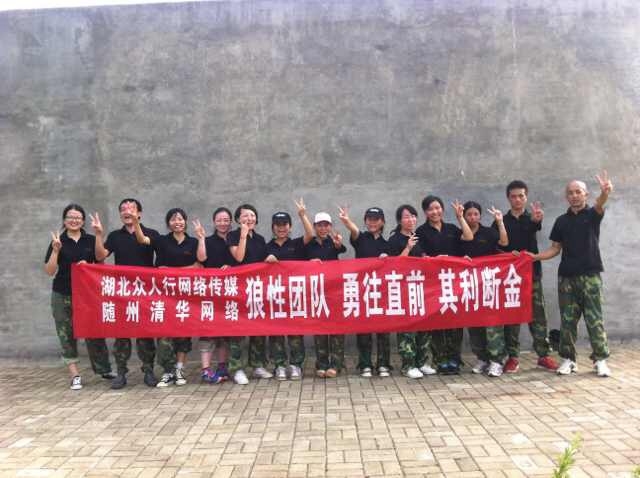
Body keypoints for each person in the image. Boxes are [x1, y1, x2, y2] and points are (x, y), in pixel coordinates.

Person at [532, 172, 613, 377]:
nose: (574, 195)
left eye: (578, 192)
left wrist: (605, 193)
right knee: (568, 322)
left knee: (595, 320)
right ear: (566, 196)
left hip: (590, 276)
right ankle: (568, 359)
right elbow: (555, 248)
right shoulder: (561, 221)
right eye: (571, 193)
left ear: (585, 194)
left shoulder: (592, 215)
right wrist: (535, 257)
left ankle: (600, 360)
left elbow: (600, 203)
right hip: (566, 278)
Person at [44, 204, 116, 390]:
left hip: (87, 294)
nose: (74, 220)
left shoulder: (90, 240)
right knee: (66, 333)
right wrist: (56, 250)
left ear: (83, 221)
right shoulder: (58, 241)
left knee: (94, 331)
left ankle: (103, 369)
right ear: (64, 220)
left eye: (78, 217)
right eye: (70, 217)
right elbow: (49, 271)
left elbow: (101, 262)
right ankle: (75, 374)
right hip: (63, 293)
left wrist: (98, 235)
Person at [91, 198, 161, 388]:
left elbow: (142, 240)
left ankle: (148, 371)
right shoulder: (115, 236)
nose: (127, 211)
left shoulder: (151, 233)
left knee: (145, 333)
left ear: (139, 213)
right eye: (123, 209)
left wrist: (136, 224)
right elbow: (100, 256)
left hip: (145, 290)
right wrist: (98, 234)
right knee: (122, 333)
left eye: (131, 208)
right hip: (122, 292)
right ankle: (121, 373)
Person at [132, 207, 200, 387]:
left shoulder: (193, 242)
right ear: (168, 223)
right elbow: (142, 239)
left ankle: (179, 369)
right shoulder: (161, 240)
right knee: (164, 334)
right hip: (163, 295)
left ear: (185, 221)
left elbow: (198, 266)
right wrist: (136, 222)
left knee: (183, 334)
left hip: (185, 294)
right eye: (173, 219)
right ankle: (168, 371)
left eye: (180, 219)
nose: (177, 222)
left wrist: (171, 271)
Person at [495, 181, 558, 373]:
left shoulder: (531, 218)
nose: (517, 199)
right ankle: (513, 357)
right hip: (509, 279)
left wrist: (537, 219)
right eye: (513, 196)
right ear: (508, 198)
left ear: (526, 197)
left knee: (538, 316)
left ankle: (543, 355)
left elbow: (535, 225)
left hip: (532, 274)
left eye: (521, 196)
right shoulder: (501, 220)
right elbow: (495, 248)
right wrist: (507, 255)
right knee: (512, 318)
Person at [415, 196, 472, 375]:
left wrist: (460, 217)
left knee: (455, 321)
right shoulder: (421, 231)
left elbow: (468, 237)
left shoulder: (452, 228)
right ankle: (440, 360)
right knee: (437, 321)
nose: (435, 212)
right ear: (425, 212)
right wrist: (434, 260)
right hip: (434, 284)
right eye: (431, 209)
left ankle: (455, 359)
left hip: (453, 282)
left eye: (438, 208)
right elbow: (420, 256)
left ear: (442, 209)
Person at [263, 199, 314, 380]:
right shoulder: (266, 246)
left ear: (290, 227)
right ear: (273, 227)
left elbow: (310, 234)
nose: (281, 228)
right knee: (276, 332)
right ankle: (279, 365)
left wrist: (302, 215)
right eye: (277, 225)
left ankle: (295, 365)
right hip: (274, 296)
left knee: (295, 331)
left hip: (294, 295)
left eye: (284, 224)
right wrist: (266, 261)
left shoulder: (297, 244)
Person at [338, 206, 391, 378]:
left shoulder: (387, 244)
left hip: (382, 292)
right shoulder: (361, 239)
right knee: (364, 330)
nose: (372, 222)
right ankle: (365, 364)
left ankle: (383, 364)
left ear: (382, 222)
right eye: (369, 219)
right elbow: (354, 230)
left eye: (376, 219)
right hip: (362, 290)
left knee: (383, 330)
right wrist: (346, 221)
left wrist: (387, 259)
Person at [460, 201, 508, 377]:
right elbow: (462, 246)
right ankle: (482, 358)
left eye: (476, 214)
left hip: (489, 284)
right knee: (474, 324)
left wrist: (500, 222)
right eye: (469, 214)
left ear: (480, 215)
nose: (473, 217)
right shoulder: (461, 233)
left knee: (492, 323)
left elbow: (504, 242)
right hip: (469, 285)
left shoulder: (488, 232)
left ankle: (496, 360)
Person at [226, 204, 271, 385]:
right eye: (245, 216)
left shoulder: (260, 239)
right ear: (238, 219)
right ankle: (237, 368)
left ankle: (257, 365)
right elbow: (239, 257)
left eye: (252, 215)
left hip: (257, 288)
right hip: (239, 289)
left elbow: (263, 261)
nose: (249, 219)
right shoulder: (233, 235)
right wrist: (243, 235)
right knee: (238, 330)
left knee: (258, 328)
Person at [387, 204, 433, 379]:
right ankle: (408, 365)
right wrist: (407, 247)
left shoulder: (418, 237)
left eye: (413, 216)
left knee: (424, 327)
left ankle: (422, 362)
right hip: (403, 290)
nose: (411, 220)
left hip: (420, 289)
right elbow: (394, 265)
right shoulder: (394, 239)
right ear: (400, 220)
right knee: (407, 329)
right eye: (406, 217)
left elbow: (422, 257)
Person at [194, 207, 235, 384]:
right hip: (210, 291)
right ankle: (205, 369)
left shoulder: (236, 239)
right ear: (214, 222)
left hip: (231, 292)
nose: (223, 223)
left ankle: (222, 366)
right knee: (208, 330)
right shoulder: (208, 240)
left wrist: (231, 268)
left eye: (226, 220)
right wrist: (201, 239)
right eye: (219, 220)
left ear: (231, 222)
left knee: (225, 331)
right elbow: (201, 259)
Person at [305, 211, 347, 378]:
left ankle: (336, 364)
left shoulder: (334, 242)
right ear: (314, 227)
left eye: (326, 225)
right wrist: (309, 263)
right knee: (320, 328)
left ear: (330, 227)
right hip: (316, 291)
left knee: (337, 327)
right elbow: (299, 262)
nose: (323, 228)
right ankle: (321, 364)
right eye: (320, 225)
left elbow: (341, 248)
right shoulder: (308, 244)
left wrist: (337, 244)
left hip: (335, 290)